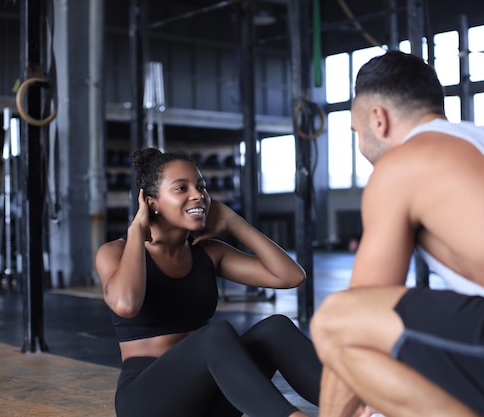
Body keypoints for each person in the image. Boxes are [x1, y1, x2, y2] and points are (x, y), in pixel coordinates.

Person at [309, 50, 484, 417]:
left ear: (377, 120)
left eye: (356, 132)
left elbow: (356, 318)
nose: (361, 145)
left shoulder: (401, 165)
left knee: (335, 320)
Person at [95, 147, 321, 417]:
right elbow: (126, 304)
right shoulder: (115, 253)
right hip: (149, 403)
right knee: (213, 335)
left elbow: (291, 276)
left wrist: (234, 222)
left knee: (275, 328)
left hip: (209, 400)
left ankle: (358, 408)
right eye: (181, 188)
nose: (197, 195)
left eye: (201, 186)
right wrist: (136, 231)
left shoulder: (209, 253)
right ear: (151, 202)